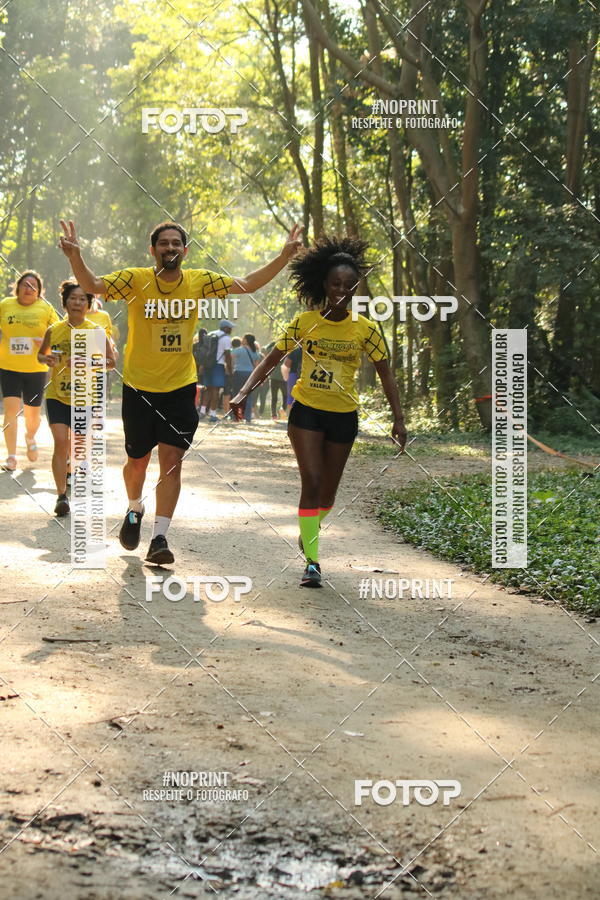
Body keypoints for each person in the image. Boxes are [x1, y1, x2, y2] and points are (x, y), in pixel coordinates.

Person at [59, 218, 303, 564]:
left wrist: (283, 256)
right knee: (137, 463)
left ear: (185, 251)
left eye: (176, 243)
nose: (170, 248)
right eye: (164, 243)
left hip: (179, 387)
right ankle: (134, 508)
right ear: (153, 249)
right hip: (139, 388)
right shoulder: (135, 280)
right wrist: (74, 257)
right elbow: (94, 284)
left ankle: (159, 538)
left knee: (172, 462)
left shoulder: (199, 281)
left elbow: (247, 283)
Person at [231, 235, 407, 588]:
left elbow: (386, 374)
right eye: (335, 283)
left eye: (349, 285)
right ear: (324, 285)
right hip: (307, 411)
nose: (342, 290)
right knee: (310, 482)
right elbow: (271, 359)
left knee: (327, 496)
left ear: (355, 288)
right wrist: (243, 392)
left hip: (343, 416)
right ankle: (313, 560)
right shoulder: (304, 322)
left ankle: (308, 528)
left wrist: (399, 419)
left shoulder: (366, 329)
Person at [38, 282, 115, 516]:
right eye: (73, 298)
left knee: (79, 446)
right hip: (57, 395)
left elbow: (111, 363)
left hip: (85, 397)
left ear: (89, 303)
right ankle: (61, 496)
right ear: (65, 302)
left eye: (83, 299)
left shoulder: (95, 331)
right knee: (60, 442)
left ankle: (77, 470)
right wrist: (46, 359)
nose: (78, 302)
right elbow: (41, 353)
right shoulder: (54, 330)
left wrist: (88, 363)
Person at [0, 271, 59, 471]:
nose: (29, 288)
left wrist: (45, 343)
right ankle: (11, 456)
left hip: (35, 369)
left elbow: (59, 333)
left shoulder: (45, 308)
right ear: (17, 287)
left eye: (34, 286)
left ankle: (30, 436)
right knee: (10, 410)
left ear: (39, 292)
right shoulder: (6, 305)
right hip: (9, 367)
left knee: (32, 415)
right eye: (25, 284)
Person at [201, 319, 234, 422]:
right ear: (225, 328)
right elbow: (227, 355)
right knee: (216, 389)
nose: (231, 330)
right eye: (230, 328)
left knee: (207, 388)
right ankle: (213, 413)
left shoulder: (211, 334)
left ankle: (202, 411)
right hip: (218, 366)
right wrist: (230, 369)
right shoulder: (226, 338)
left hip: (207, 365)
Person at [231, 333, 261, 423]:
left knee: (237, 394)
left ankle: (236, 417)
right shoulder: (255, 352)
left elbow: (231, 355)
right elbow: (256, 365)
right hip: (250, 375)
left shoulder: (239, 350)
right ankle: (248, 418)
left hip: (239, 373)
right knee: (248, 395)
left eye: (243, 338)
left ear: (246, 340)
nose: (242, 339)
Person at [282, 344, 302, 412]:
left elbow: (287, 363)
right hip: (306, 376)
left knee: (291, 395)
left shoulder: (295, 351)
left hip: (293, 374)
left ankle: (291, 415)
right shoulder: (312, 352)